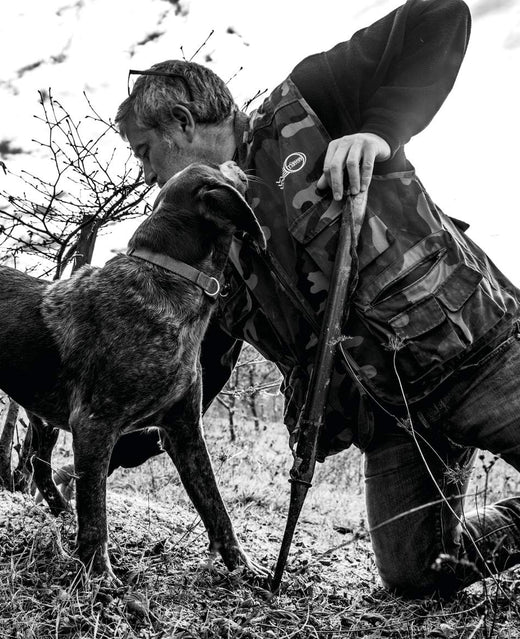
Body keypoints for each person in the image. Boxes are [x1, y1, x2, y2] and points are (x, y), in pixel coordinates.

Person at [114, 0, 520, 597]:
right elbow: (205, 362)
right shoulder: (210, 237)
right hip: (390, 418)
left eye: (144, 151)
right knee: (416, 575)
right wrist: (131, 433)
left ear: (179, 122)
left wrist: (380, 131)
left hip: (472, 357)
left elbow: (440, 15)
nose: (147, 174)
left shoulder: (309, 100)